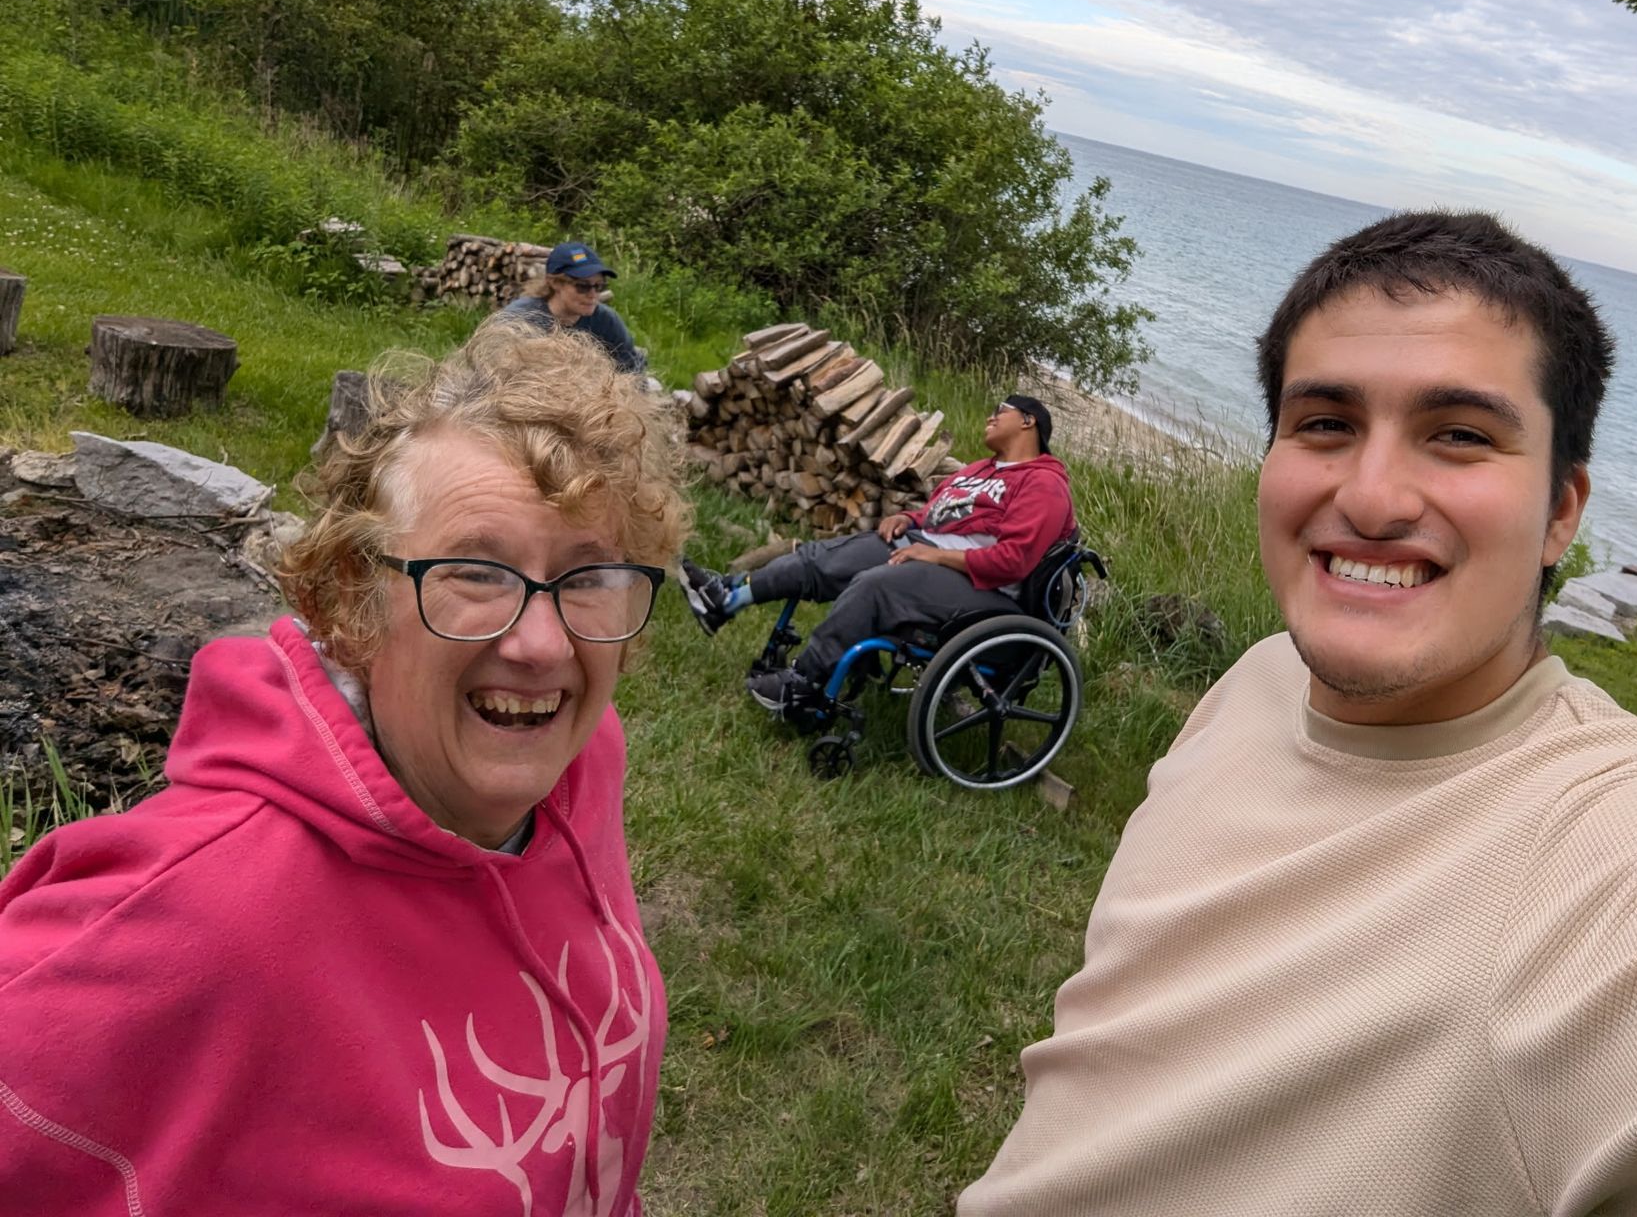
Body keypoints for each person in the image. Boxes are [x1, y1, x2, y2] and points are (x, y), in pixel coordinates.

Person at [959, 212, 1637, 1216]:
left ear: (1561, 513)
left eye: (1459, 435)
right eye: (1325, 423)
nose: (1372, 498)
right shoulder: (1257, 680)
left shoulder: (1615, 841)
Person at [0, 321, 687, 1216]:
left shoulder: (579, 764)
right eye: (475, 572)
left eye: (589, 577)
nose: (542, 643)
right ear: (351, 603)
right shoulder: (193, 916)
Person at [682, 394, 1075, 713]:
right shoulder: (979, 470)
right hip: (927, 552)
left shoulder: (1044, 484)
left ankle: (805, 684)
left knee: (875, 587)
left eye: (1000, 412)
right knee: (822, 558)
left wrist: (935, 556)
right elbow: (937, 514)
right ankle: (726, 597)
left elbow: (1014, 562)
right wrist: (907, 517)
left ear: (1029, 421)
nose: (990, 418)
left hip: (986, 591)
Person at [501, 240, 647, 375]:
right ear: (554, 283)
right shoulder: (519, 319)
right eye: (583, 286)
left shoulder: (606, 321)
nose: (593, 295)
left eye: (599, 286)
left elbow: (632, 371)